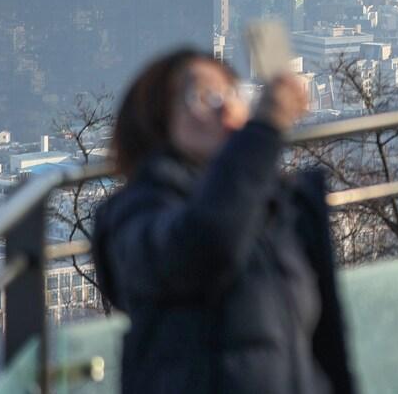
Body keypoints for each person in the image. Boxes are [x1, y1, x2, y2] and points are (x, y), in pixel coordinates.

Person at [91, 48, 354, 394]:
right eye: (204, 97)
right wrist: (261, 131)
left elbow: (324, 346)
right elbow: (205, 244)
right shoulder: (135, 213)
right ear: (157, 120)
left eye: (233, 93)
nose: (226, 107)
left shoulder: (277, 207)